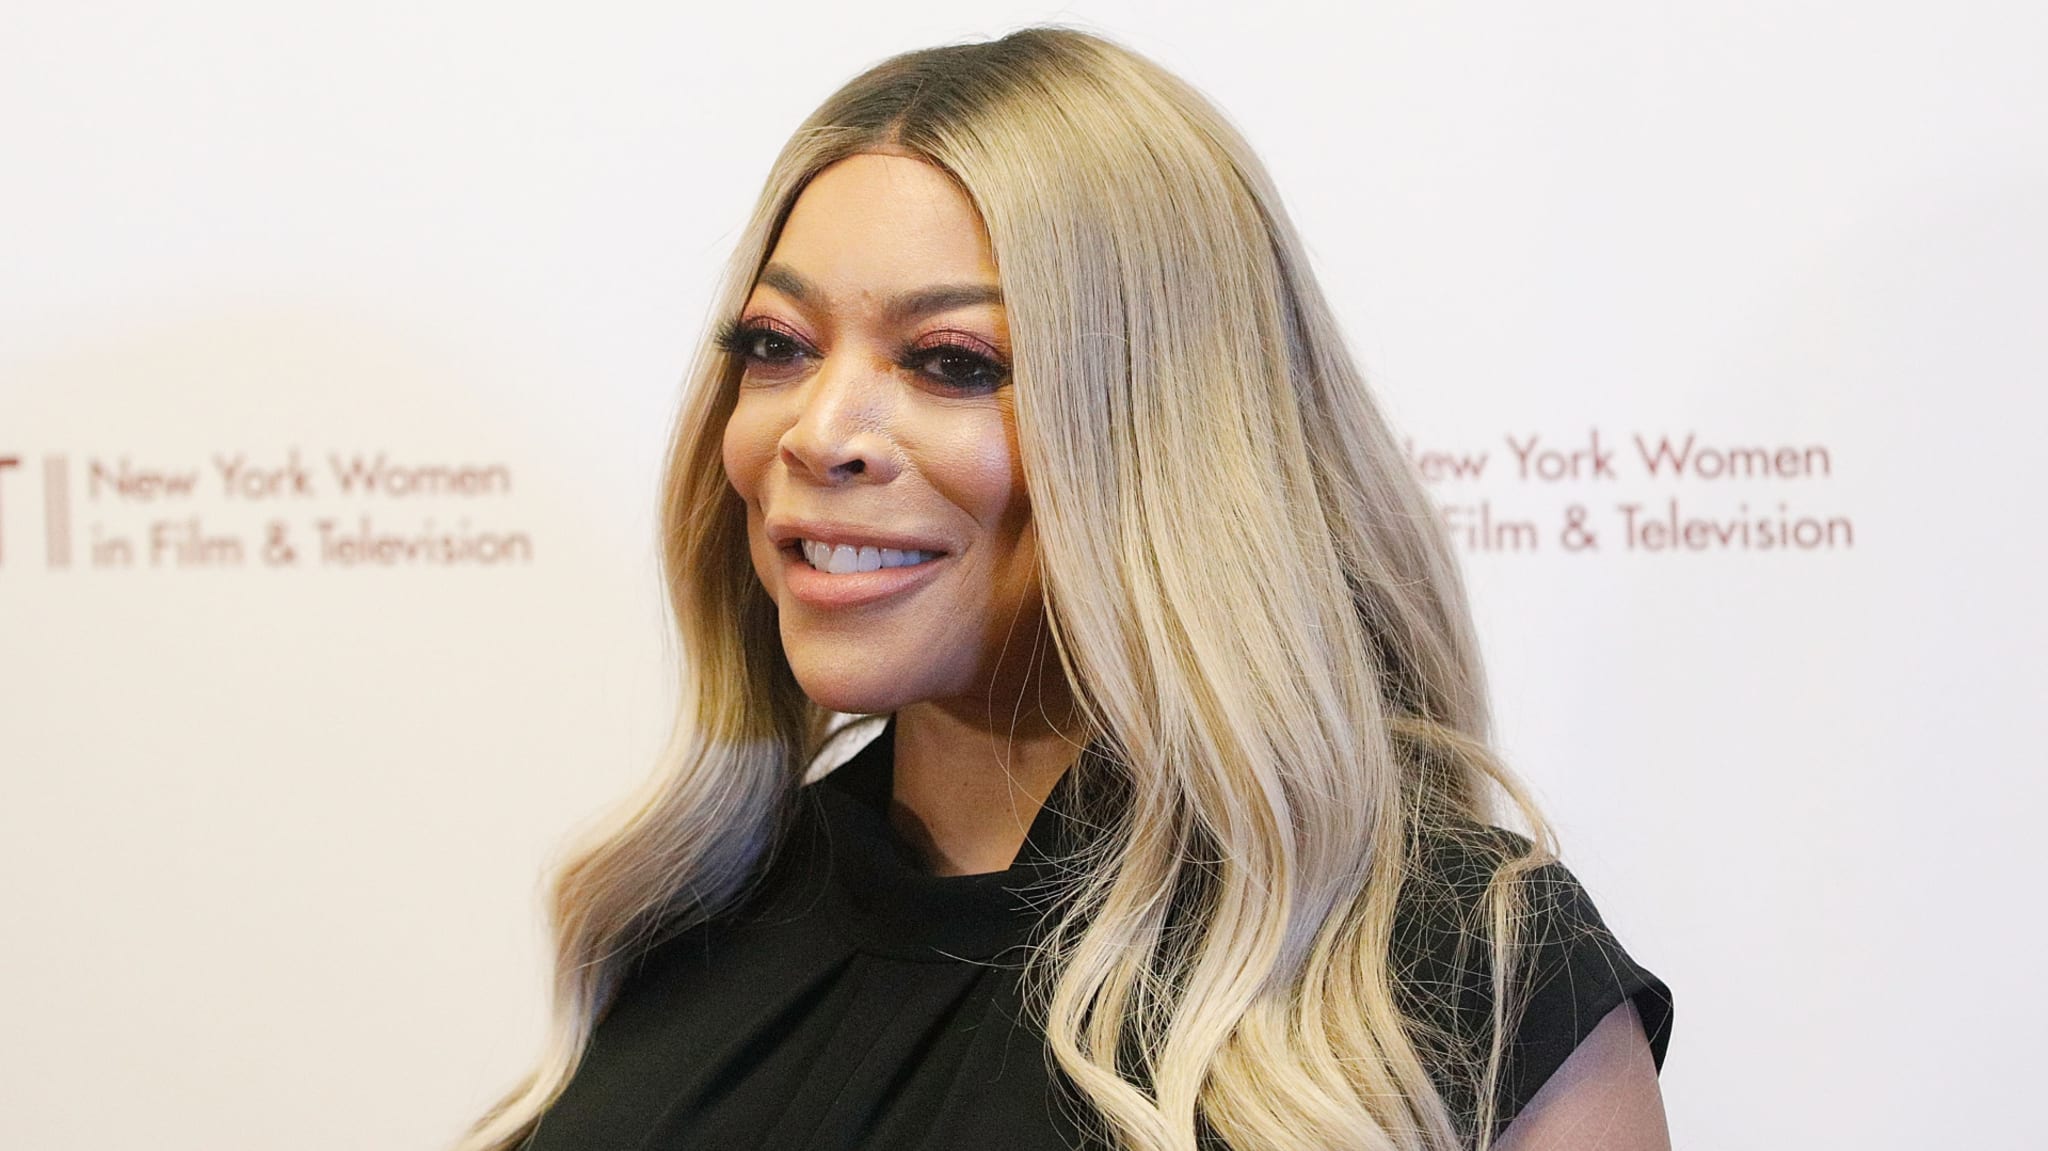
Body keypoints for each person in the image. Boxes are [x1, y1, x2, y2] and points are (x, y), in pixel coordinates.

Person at [456, 26, 1673, 1151]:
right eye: (777, 344)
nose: (821, 431)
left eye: (949, 361)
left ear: (1171, 433)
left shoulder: (1456, 971)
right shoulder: (688, 926)